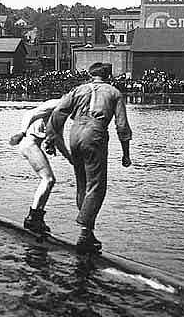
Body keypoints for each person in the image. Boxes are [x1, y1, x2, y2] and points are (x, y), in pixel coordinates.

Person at [44, 62, 132, 253]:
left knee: (82, 183)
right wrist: (126, 153)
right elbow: (122, 126)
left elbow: (58, 112)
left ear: (92, 75)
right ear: (108, 76)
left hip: (75, 133)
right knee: (96, 185)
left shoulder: (78, 90)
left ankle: (87, 230)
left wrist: (51, 138)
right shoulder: (114, 92)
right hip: (95, 133)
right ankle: (85, 233)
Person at [9, 98, 71, 233]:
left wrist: (70, 159)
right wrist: (22, 132)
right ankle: (32, 218)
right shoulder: (56, 104)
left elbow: (59, 139)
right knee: (48, 180)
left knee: (50, 181)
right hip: (28, 143)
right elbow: (29, 114)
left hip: (32, 144)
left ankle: (37, 216)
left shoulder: (62, 113)